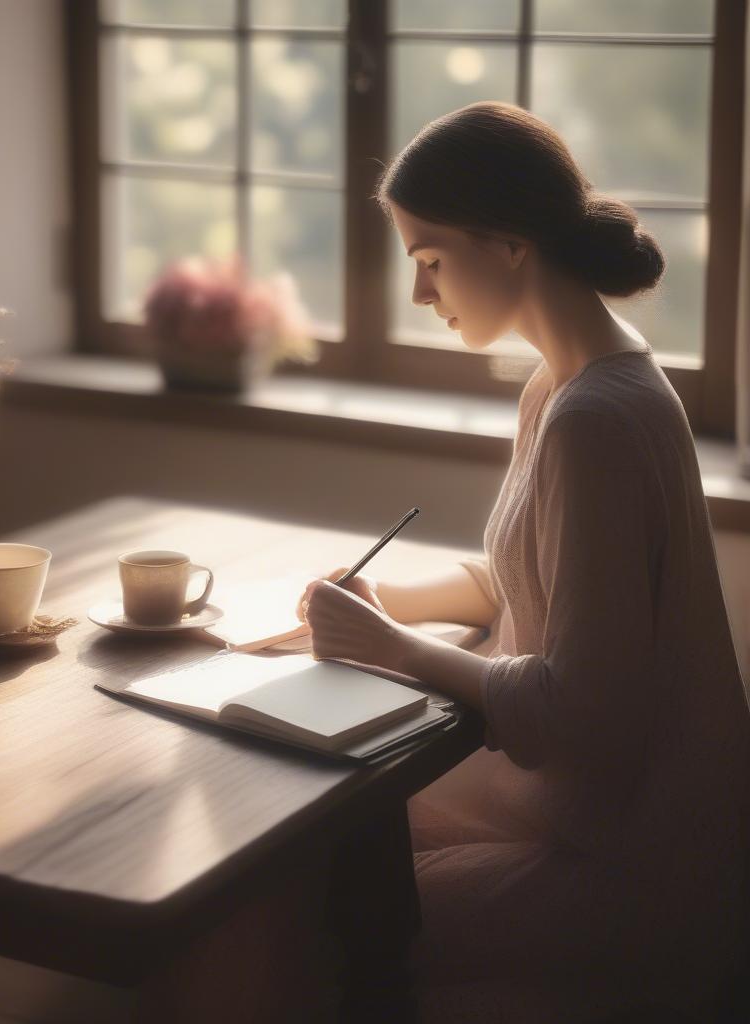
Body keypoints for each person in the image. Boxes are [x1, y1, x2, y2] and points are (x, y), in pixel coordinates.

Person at [299, 101, 750, 1022]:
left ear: (507, 244)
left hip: (637, 859)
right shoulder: (568, 381)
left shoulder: (597, 419)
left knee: (306, 901)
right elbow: (521, 579)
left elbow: (579, 712)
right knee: (317, 836)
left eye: (428, 260)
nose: (421, 294)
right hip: (593, 810)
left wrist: (390, 648)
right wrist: (386, 599)